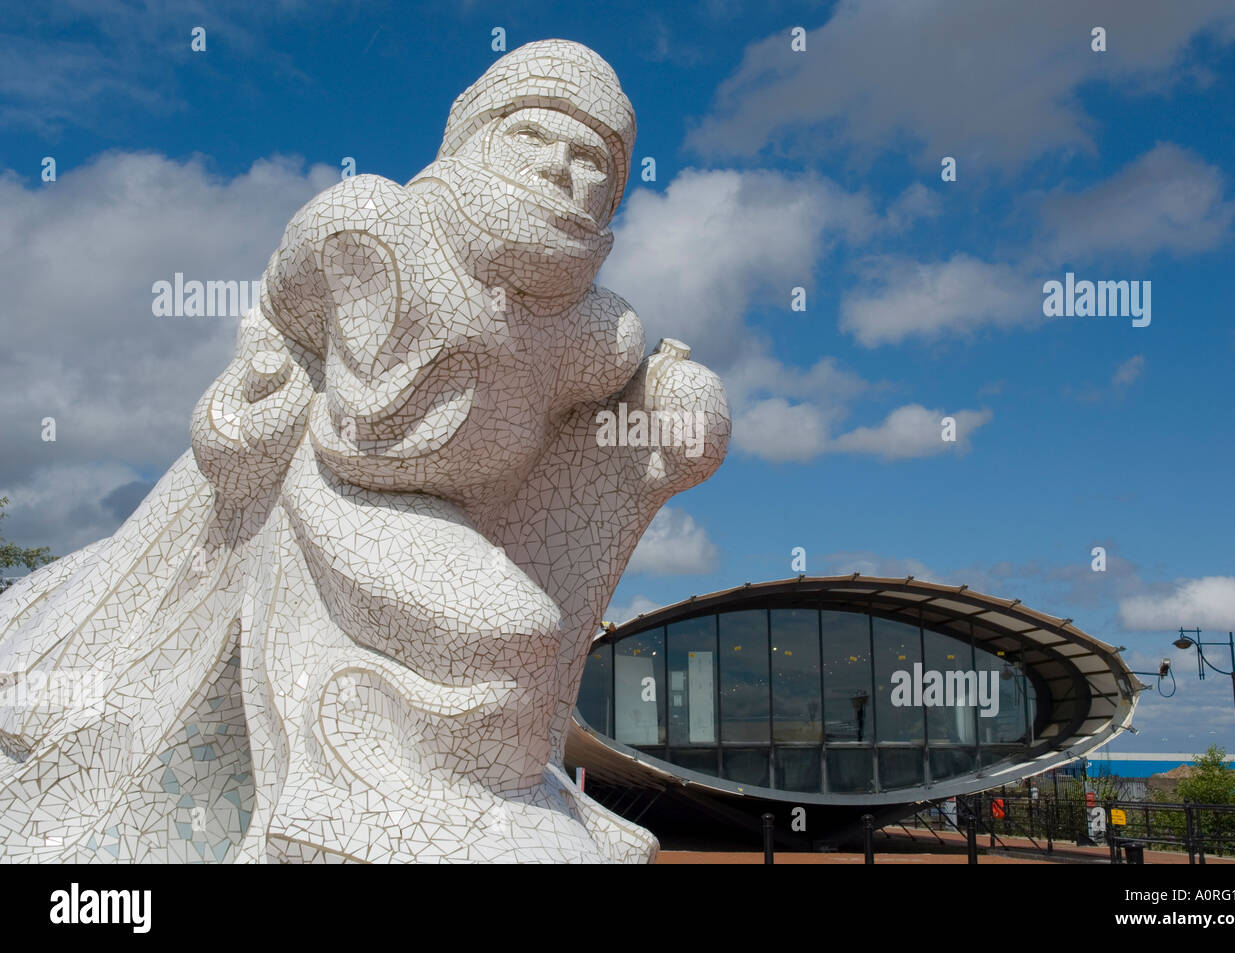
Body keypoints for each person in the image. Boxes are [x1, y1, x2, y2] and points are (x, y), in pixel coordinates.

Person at [0, 40, 729, 863]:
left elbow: (633, 408)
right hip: (337, 486)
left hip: (454, 515)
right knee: (508, 631)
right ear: (477, 134)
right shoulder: (370, 228)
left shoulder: (599, 332)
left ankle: (462, 807)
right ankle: (345, 814)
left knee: (519, 630)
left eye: (592, 158)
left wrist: (677, 404)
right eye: (533, 136)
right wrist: (251, 389)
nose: (561, 168)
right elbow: (279, 316)